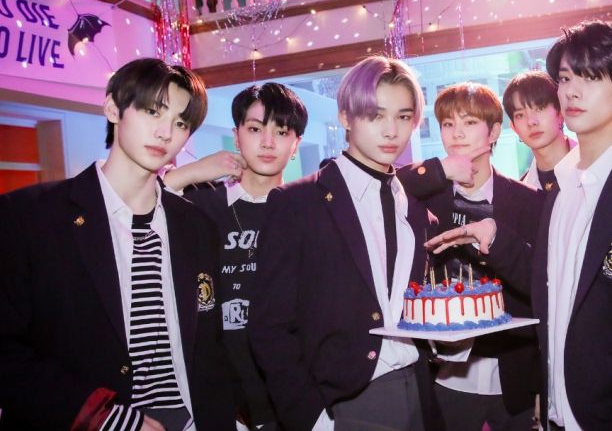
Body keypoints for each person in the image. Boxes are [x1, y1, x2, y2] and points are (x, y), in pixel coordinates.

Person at [426, 21, 612, 430]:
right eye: (566, 77)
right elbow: (551, 291)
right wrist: (497, 240)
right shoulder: (560, 189)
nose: (572, 91)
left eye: (591, 76)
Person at [0, 58, 235, 430]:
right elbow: (8, 354)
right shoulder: (31, 217)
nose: (165, 133)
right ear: (113, 108)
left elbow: (210, 349)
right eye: (152, 112)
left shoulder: (196, 225)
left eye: (180, 123)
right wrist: (109, 419)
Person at [248, 55, 442, 430]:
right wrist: (313, 419)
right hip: (345, 402)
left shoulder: (416, 210)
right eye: (375, 115)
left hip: (419, 389)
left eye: (403, 117)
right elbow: (268, 328)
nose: (391, 131)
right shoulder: (297, 203)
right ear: (345, 118)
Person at [162, 82, 308, 430]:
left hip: (295, 397)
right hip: (219, 398)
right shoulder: (202, 206)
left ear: (296, 143)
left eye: (281, 131)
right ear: (237, 135)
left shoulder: (308, 212)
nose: (268, 142)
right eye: (256, 129)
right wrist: (187, 174)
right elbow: (134, 212)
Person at [397, 83, 542, 431]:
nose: (457, 132)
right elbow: (384, 187)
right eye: (448, 124)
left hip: (514, 373)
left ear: (494, 131)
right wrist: (440, 170)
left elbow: (538, 286)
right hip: (445, 375)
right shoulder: (424, 198)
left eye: (470, 122)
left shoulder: (528, 202)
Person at [502, 71, 574, 192]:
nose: (531, 122)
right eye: (520, 115)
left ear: (561, 111)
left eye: (540, 108)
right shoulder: (522, 193)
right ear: (514, 128)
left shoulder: (596, 164)